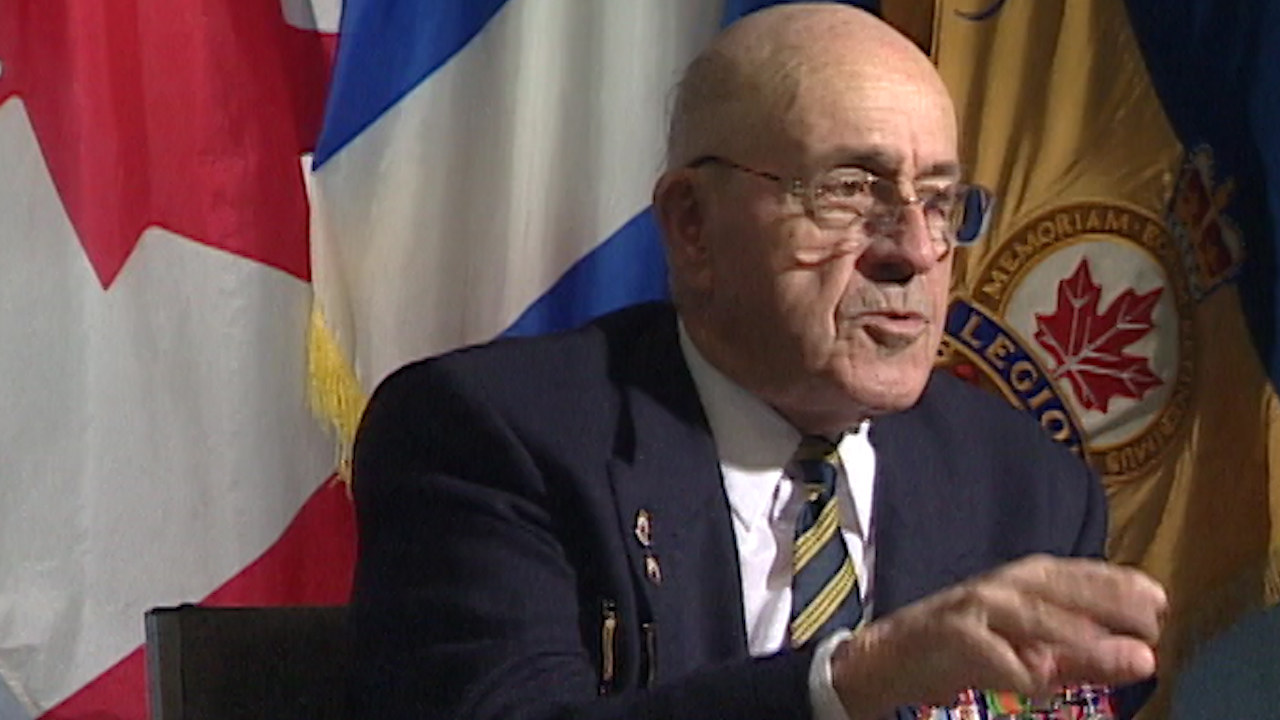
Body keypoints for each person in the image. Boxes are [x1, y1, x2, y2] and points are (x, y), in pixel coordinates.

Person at [347, 3, 1167, 719]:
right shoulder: (494, 438)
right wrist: (851, 683)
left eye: (940, 201)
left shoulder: (1027, 488)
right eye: (850, 191)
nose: (916, 251)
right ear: (693, 225)